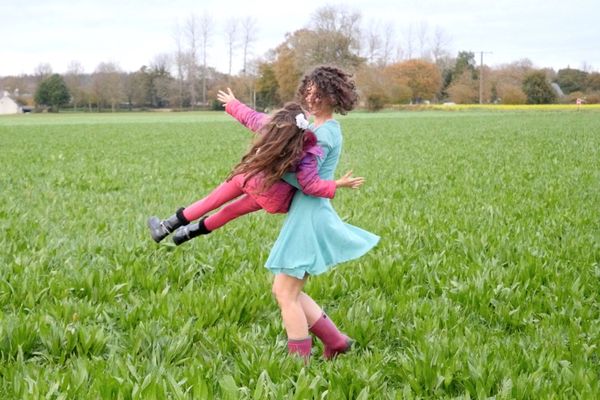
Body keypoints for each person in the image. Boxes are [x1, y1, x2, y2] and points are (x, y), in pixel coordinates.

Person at [221, 66, 380, 361]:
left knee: (285, 292)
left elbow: (305, 179)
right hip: (305, 213)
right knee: (289, 289)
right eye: (308, 90)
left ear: (334, 97)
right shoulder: (312, 127)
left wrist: (273, 167)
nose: (311, 97)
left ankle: (300, 364)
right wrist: (235, 107)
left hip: (309, 216)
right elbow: (268, 125)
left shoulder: (324, 133)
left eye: (318, 93)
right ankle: (336, 341)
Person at [147, 101, 364, 245]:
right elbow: (310, 185)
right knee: (230, 212)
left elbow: (250, 117)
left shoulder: (271, 128)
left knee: (211, 201)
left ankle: (165, 228)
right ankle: (187, 234)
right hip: (273, 199)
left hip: (250, 180)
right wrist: (337, 184)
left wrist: (232, 103)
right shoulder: (306, 150)